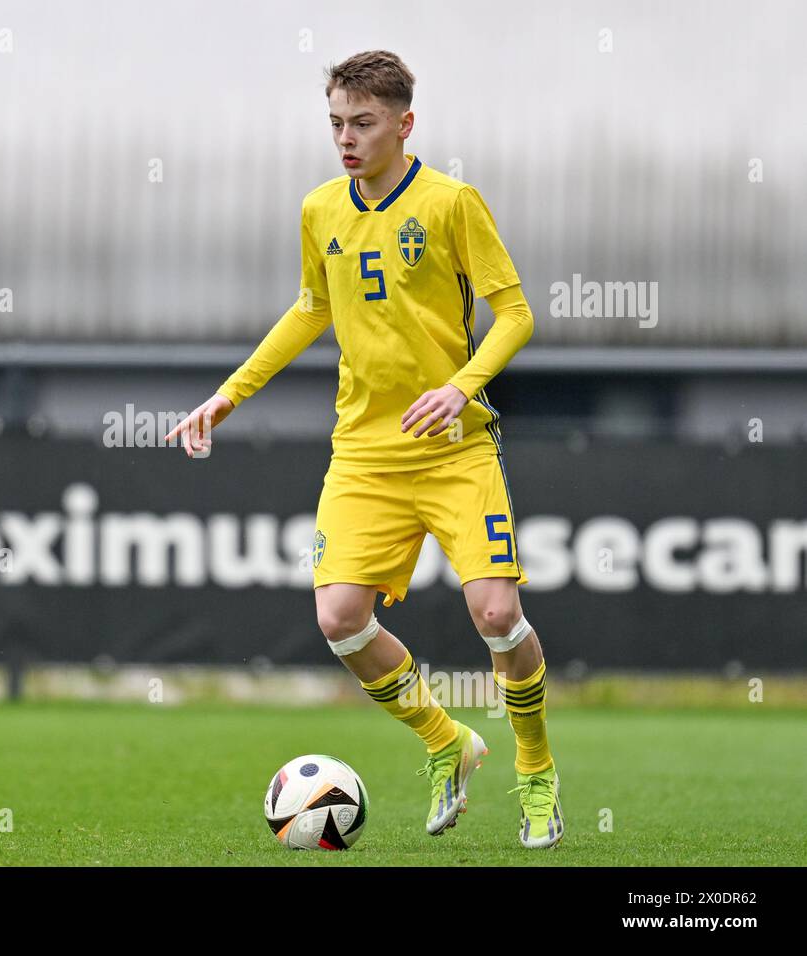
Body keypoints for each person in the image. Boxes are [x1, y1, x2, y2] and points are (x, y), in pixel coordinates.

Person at [164, 50, 562, 848]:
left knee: (497, 613)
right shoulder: (320, 210)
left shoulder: (452, 202)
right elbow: (311, 307)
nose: (346, 138)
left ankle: (535, 767)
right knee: (341, 619)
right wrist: (229, 393)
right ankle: (447, 742)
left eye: (364, 123)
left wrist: (461, 384)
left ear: (404, 124)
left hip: (453, 448)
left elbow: (516, 314)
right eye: (337, 123)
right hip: (364, 456)